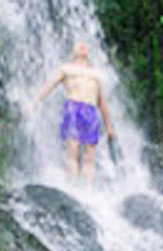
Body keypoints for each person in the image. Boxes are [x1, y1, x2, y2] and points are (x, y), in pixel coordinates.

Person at [35, 42, 115, 186]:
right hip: (73, 108)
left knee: (90, 156)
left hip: (91, 111)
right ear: (73, 51)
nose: (83, 46)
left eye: (85, 45)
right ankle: (72, 185)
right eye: (79, 45)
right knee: (73, 150)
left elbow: (101, 101)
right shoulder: (66, 68)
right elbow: (49, 85)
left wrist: (109, 125)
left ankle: (88, 188)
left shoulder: (95, 73)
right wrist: (35, 102)